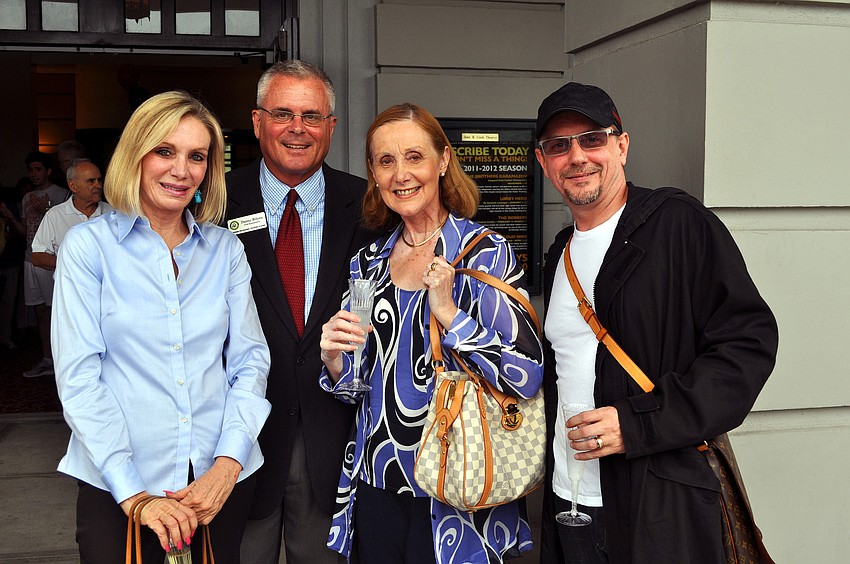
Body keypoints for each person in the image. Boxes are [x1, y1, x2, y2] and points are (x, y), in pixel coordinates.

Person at [534, 82, 779, 563]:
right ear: (544, 162)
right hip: (571, 504)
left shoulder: (676, 224)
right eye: (559, 146)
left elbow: (747, 346)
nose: (577, 156)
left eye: (592, 139)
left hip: (659, 512)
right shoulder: (558, 253)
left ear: (621, 146)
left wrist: (637, 425)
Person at [52, 90, 272, 564]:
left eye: (197, 156)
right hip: (120, 487)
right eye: (165, 151)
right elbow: (79, 380)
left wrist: (227, 465)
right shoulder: (88, 248)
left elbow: (251, 361)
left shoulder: (225, 251)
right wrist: (135, 496)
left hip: (216, 488)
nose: (181, 170)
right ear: (136, 154)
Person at [318, 103, 544, 563]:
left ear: (443, 162)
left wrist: (449, 313)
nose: (401, 174)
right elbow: (357, 388)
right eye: (386, 161)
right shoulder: (369, 263)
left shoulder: (483, 254)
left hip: (457, 487)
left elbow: (528, 373)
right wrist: (336, 360)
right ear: (374, 175)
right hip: (376, 482)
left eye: (414, 157)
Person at [225, 60, 375, 564]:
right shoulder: (212, 201)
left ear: (331, 127)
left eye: (312, 116)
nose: (297, 128)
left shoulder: (371, 207)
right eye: (283, 113)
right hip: (236, 447)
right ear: (257, 120)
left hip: (334, 442)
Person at [26, 159, 111, 370]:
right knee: (78, 357)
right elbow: (37, 255)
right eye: (91, 181)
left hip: (109, 299)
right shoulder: (56, 215)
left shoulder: (113, 214)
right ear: (73, 186)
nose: (98, 185)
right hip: (73, 300)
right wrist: (73, 263)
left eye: (99, 180)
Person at [21, 152, 69, 377]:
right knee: (40, 311)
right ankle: (46, 358)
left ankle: (62, 360)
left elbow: (66, 226)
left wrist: (46, 211)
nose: (34, 174)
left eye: (38, 169)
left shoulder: (62, 194)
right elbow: (26, 230)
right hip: (30, 259)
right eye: (31, 170)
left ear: (49, 171)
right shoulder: (26, 197)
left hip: (51, 259)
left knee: (57, 311)